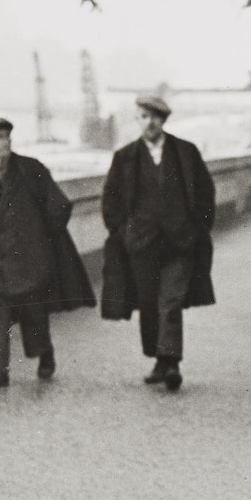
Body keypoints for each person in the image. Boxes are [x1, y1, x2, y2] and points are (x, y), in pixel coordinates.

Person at [0, 117, 95, 389]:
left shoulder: (31, 169)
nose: (4, 143)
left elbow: (59, 205)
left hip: (31, 259)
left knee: (34, 312)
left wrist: (42, 239)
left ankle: (45, 354)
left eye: (6, 137)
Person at [101, 95, 215, 391]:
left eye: (154, 117)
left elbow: (205, 193)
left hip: (179, 242)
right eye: (143, 116)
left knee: (171, 301)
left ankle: (172, 362)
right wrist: (124, 233)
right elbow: (110, 200)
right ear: (137, 120)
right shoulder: (125, 157)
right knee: (149, 302)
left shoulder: (186, 152)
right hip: (141, 245)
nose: (149, 122)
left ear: (163, 120)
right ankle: (159, 360)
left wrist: (197, 230)